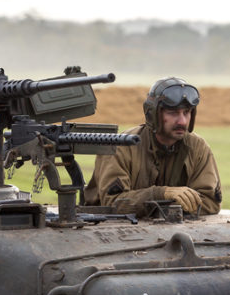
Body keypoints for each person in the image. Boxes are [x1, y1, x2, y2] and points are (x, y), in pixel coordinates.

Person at [84, 77, 222, 217]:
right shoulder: (121, 146)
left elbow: (210, 202)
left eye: (186, 112)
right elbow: (113, 203)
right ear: (153, 114)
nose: (182, 121)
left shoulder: (197, 148)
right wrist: (160, 194)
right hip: (106, 226)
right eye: (173, 113)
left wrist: (167, 207)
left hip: (172, 227)